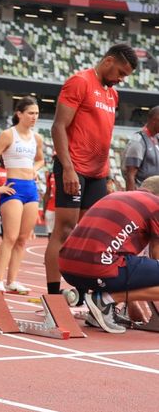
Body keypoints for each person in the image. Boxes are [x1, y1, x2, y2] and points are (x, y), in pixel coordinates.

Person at [43, 44, 138, 295]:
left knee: (91, 238)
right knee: (63, 230)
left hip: (98, 173)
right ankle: (53, 296)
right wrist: (68, 168)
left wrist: (106, 174)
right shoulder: (79, 82)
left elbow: (102, 133)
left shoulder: (112, 95)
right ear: (108, 61)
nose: (121, 79)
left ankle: (86, 295)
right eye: (120, 72)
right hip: (73, 167)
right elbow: (58, 127)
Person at [59, 175, 159, 334]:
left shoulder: (116, 196)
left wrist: (131, 300)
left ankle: (97, 312)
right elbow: (156, 258)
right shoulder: (155, 205)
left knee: (117, 262)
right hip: (98, 268)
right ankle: (105, 301)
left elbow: (133, 270)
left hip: (67, 268)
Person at [0, 97, 45, 294]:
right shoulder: (8, 135)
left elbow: (40, 160)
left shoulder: (37, 138)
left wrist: (35, 169)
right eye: (30, 113)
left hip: (30, 188)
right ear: (19, 113)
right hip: (13, 188)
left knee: (22, 239)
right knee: (9, 237)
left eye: (36, 113)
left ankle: (12, 281)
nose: (34, 117)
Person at [122, 106, 159, 191]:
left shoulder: (156, 138)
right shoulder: (138, 141)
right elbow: (130, 175)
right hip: (143, 193)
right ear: (154, 120)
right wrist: (131, 199)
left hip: (155, 193)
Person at [41, 169, 56, 237]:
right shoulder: (50, 175)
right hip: (50, 209)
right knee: (50, 232)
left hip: (63, 208)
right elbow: (47, 193)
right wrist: (44, 211)